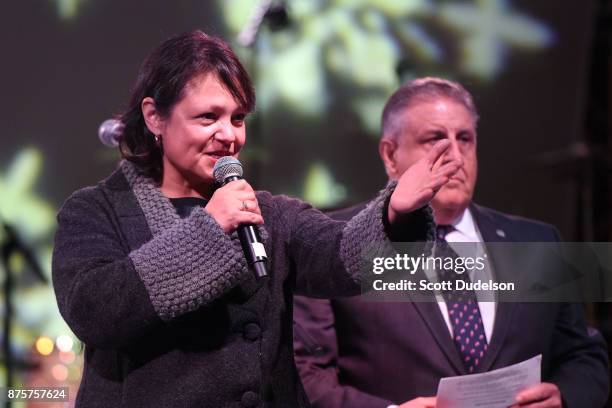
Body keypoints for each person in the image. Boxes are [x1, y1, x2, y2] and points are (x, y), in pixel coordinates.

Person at [51, 32, 461, 407]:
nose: (229, 134)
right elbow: (94, 312)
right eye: (208, 117)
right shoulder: (95, 210)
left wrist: (395, 213)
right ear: (155, 117)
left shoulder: (268, 212)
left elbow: (342, 260)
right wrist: (209, 232)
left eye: (238, 118)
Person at [293, 77, 610, 408]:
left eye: (465, 139)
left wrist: (564, 396)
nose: (456, 157)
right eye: (435, 140)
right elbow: (305, 374)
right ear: (390, 155)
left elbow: (584, 354)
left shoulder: (537, 242)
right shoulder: (335, 241)